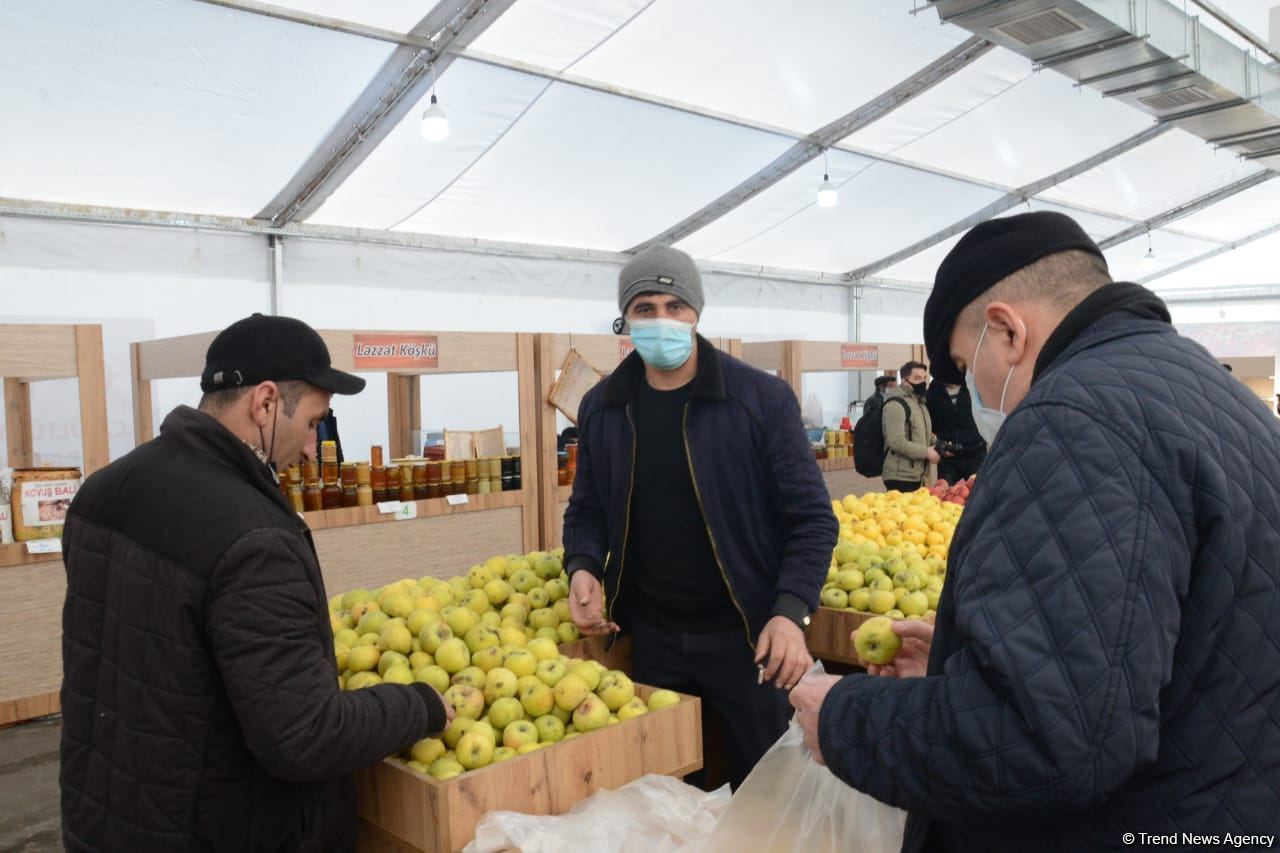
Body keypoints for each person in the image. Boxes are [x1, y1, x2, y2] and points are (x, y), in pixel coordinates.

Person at [790, 212, 1280, 850]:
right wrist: (981, 655)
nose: (973, 394)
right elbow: (1168, 640)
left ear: (1007, 331)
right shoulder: (1211, 391)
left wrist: (844, 721)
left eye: (967, 368)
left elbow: (1047, 741)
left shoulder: (1074, 418)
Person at [60, 314, 450, 852]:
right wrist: (420, 706)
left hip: (104, 814)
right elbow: (303, 734)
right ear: (265, 403)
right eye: (315, 422)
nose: (315, 448)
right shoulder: (255, 539)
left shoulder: (100, 492)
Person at [563, 245, 836, 789]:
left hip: (749, 640)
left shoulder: (759, 399)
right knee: (670, 798)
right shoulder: (603, 407)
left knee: (769, 796)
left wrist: (789, 611)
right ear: (626, 320)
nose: (661, 319)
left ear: (696, 314)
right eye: (645, 308)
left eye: (674, 306)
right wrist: (583, 565)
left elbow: (812, 520)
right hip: (654, 641)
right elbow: (587, 509)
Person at [880, 361, 937, 493]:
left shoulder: (920, 403)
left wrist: (936, 443)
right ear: (905, 381)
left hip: (916, 474)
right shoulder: (896, 404)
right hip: (900, 476)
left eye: (924, 378)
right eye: (917, 378)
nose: (922, 382)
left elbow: (919, 433)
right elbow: (896, 442)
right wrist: (926, 452)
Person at [924, 378, 986, 484]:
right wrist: (938, 444)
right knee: (948, 496)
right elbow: (928, 424)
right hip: (948, 459)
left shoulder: (974, 388)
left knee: (977, 494)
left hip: (975, 454)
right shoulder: (932, 394)